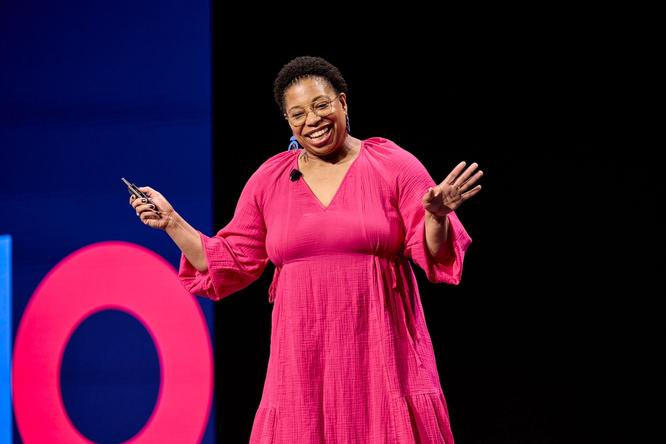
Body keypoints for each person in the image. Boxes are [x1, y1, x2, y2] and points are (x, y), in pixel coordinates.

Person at [130, 56, 482, 443]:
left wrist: (437, 216)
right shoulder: (271, 179)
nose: (312, 120)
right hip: (303, 373)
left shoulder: (392, 164)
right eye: (297, 113)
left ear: (343, 103)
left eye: (321, 105)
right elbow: (226, 262)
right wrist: (172, 222)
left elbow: (435, 254)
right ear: (287, 121)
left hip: (384, 363)